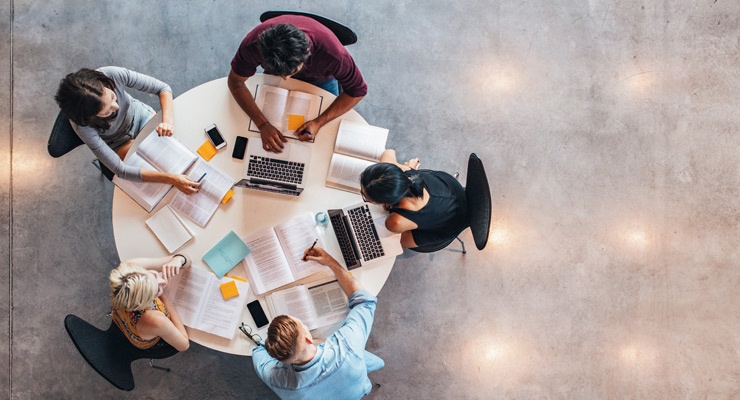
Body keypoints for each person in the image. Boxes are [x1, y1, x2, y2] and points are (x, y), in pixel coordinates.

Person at [252, 246, 383, 399]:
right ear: (308, 338)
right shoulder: (347, 346)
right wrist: (331, 262)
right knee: (373, 361)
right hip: (358, 387)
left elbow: (258, 354)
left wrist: (267, 345)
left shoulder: (277, 380)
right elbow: (365, 302)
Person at [228, 15, 367, 153]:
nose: (286, 79)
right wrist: (263, 124)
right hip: (277, 75)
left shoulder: (334, 55)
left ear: (307, 52)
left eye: (291, 72)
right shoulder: (252, 44)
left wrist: (319, 122)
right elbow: (235, 82)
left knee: (324, 138)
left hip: (321, 79)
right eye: (281, 74)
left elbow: (357, 91)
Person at [54, 66, 200, 194]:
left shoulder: (111, 74)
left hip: (141, 118)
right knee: (155, 170)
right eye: (107, 111)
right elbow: (120, 170)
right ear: (90, 118)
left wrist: (167, 121)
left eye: (113, 97)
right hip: (117, 143)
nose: (116, 107)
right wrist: (171, 179)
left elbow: (163, 88)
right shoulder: (82, 125)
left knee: (179, 147)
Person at [360, 149, 469, 249]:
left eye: (365, 197)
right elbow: (389, 152)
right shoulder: (405, 172)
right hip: (451, 189)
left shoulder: (395, 222)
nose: (361, 193)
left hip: (451, 225)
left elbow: (398, 237)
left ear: (385, 202)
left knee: (393, 244)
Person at [109, 254, 191, 352]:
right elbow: (184, 345)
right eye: (157, 291)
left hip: (121, 316)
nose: (163, 282)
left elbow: (186, 259)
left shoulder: (130, 267)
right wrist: (165, 297)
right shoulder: (156, 320)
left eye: (154, 275)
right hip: (144, 339)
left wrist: (178, 260)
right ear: (146, 303)